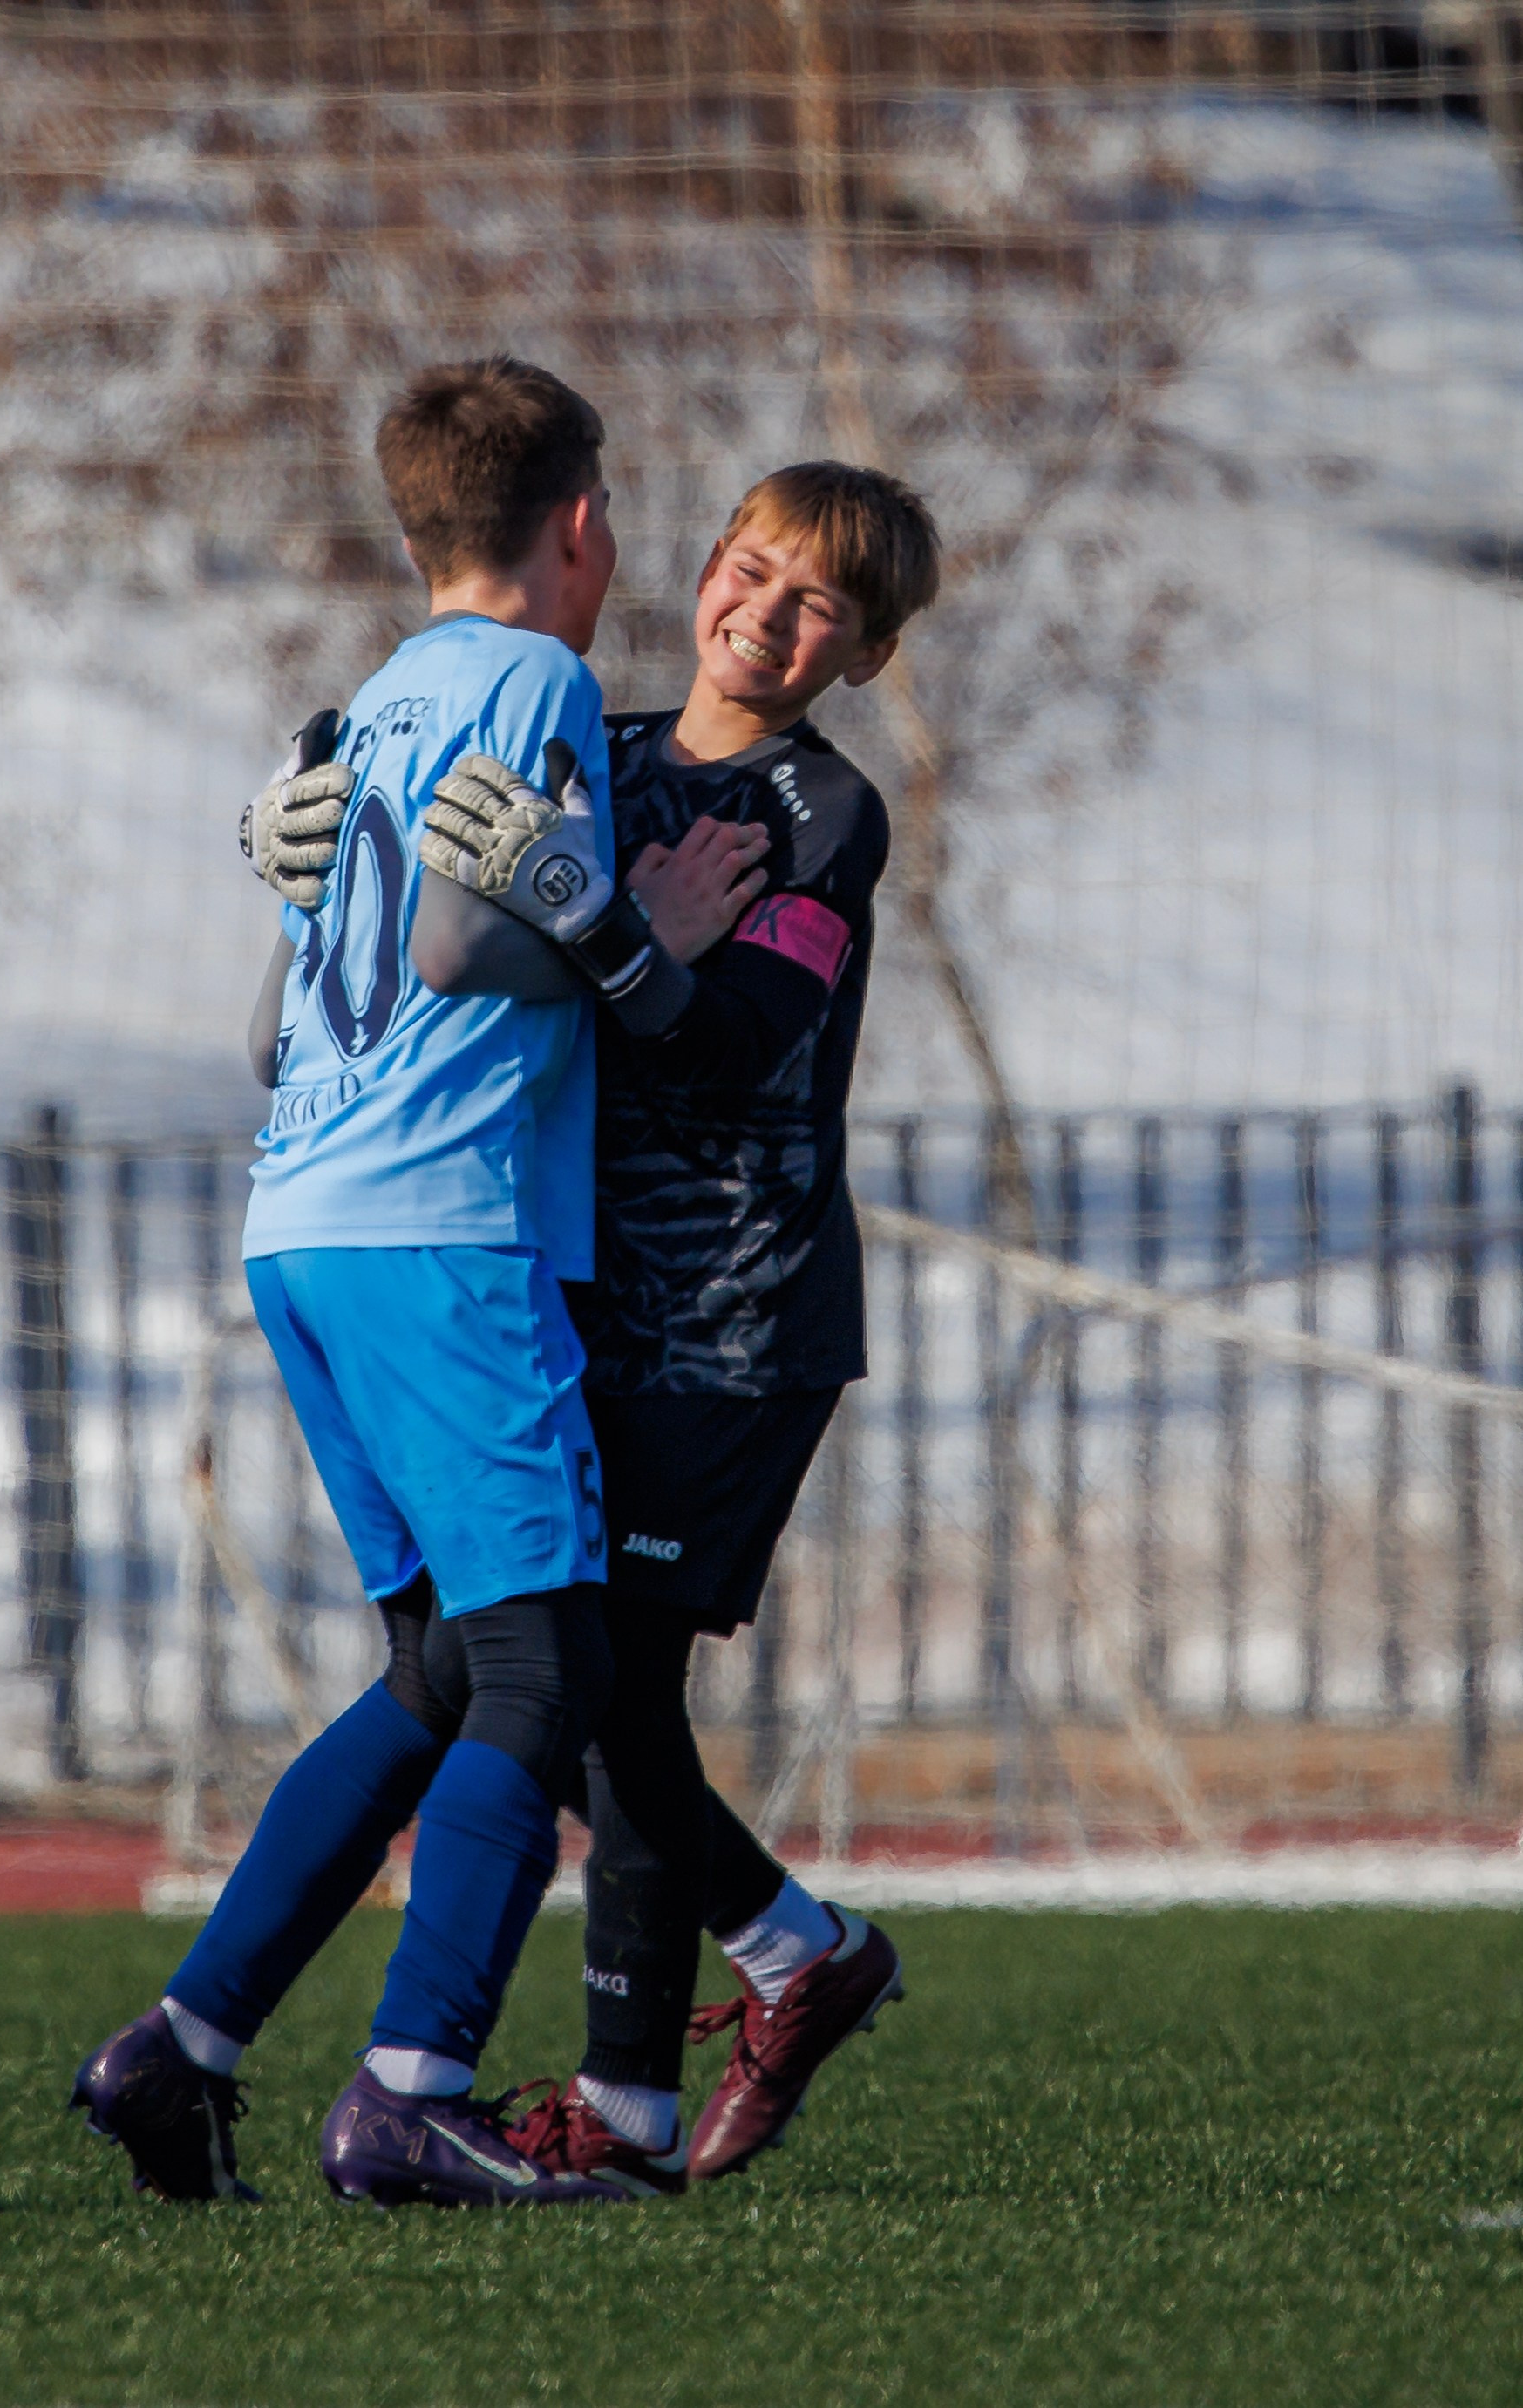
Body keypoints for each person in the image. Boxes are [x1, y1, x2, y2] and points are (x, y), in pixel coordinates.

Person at [71, 356, 753, 2211]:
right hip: (437, 1229)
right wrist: (635, 946)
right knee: (548, 1663)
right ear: (584, 522)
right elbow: (464, 940)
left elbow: (296, 1006)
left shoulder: (364, 703)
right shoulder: (531, 678)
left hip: (299, 1213)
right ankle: (408, 2085)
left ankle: (180, 2045)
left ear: (404, 529)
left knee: (444, 1668)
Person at [420, 460, 940, 2193]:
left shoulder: (823, 814)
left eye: (818, 606)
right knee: (545, 1685)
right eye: (749, 569)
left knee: (612, 1686)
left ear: (857, 652)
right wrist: (314, 817)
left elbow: (723, 1041)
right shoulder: (603, 744)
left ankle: (650, 2082)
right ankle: (784, 1960)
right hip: (571, 1304)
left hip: (733, 1321)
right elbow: (444, 910)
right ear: (701, 567)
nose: (765, 614)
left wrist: (609, 942)